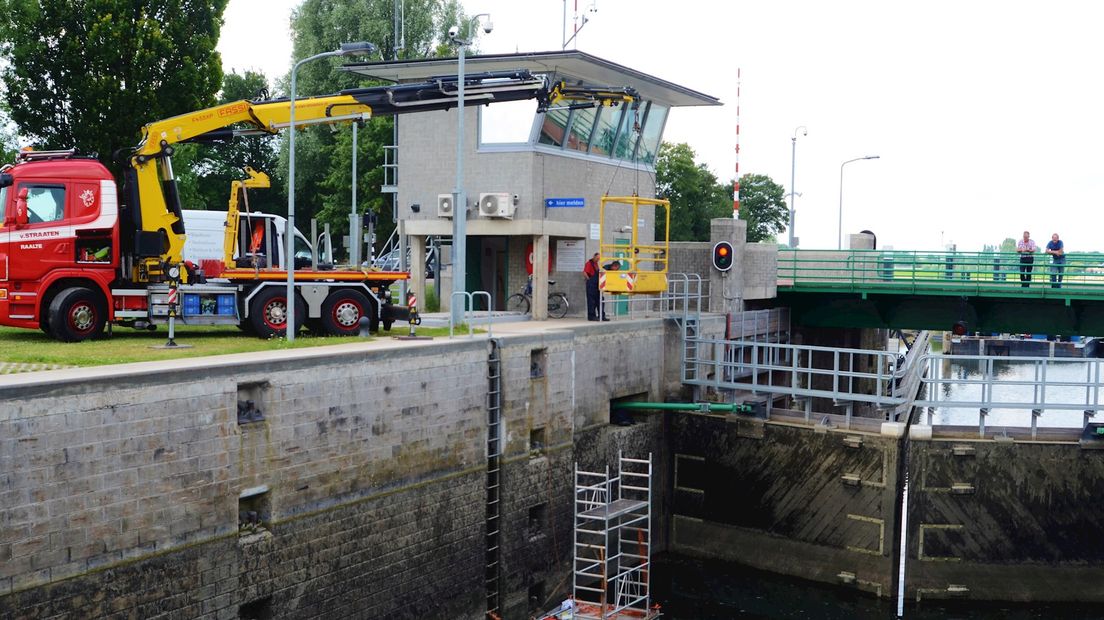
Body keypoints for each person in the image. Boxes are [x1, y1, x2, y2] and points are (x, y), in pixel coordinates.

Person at [583, 252, 607, 321]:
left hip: (596, 284)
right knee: (591, 301)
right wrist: (589, 280)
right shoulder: (589, 263)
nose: (598, 260)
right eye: (597, 258)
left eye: (599, 259)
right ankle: (591, 316)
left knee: (599, 300)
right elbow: (585, 272)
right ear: (594, 256)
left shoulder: (596, 264)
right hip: (591, 285)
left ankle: (601, 316)